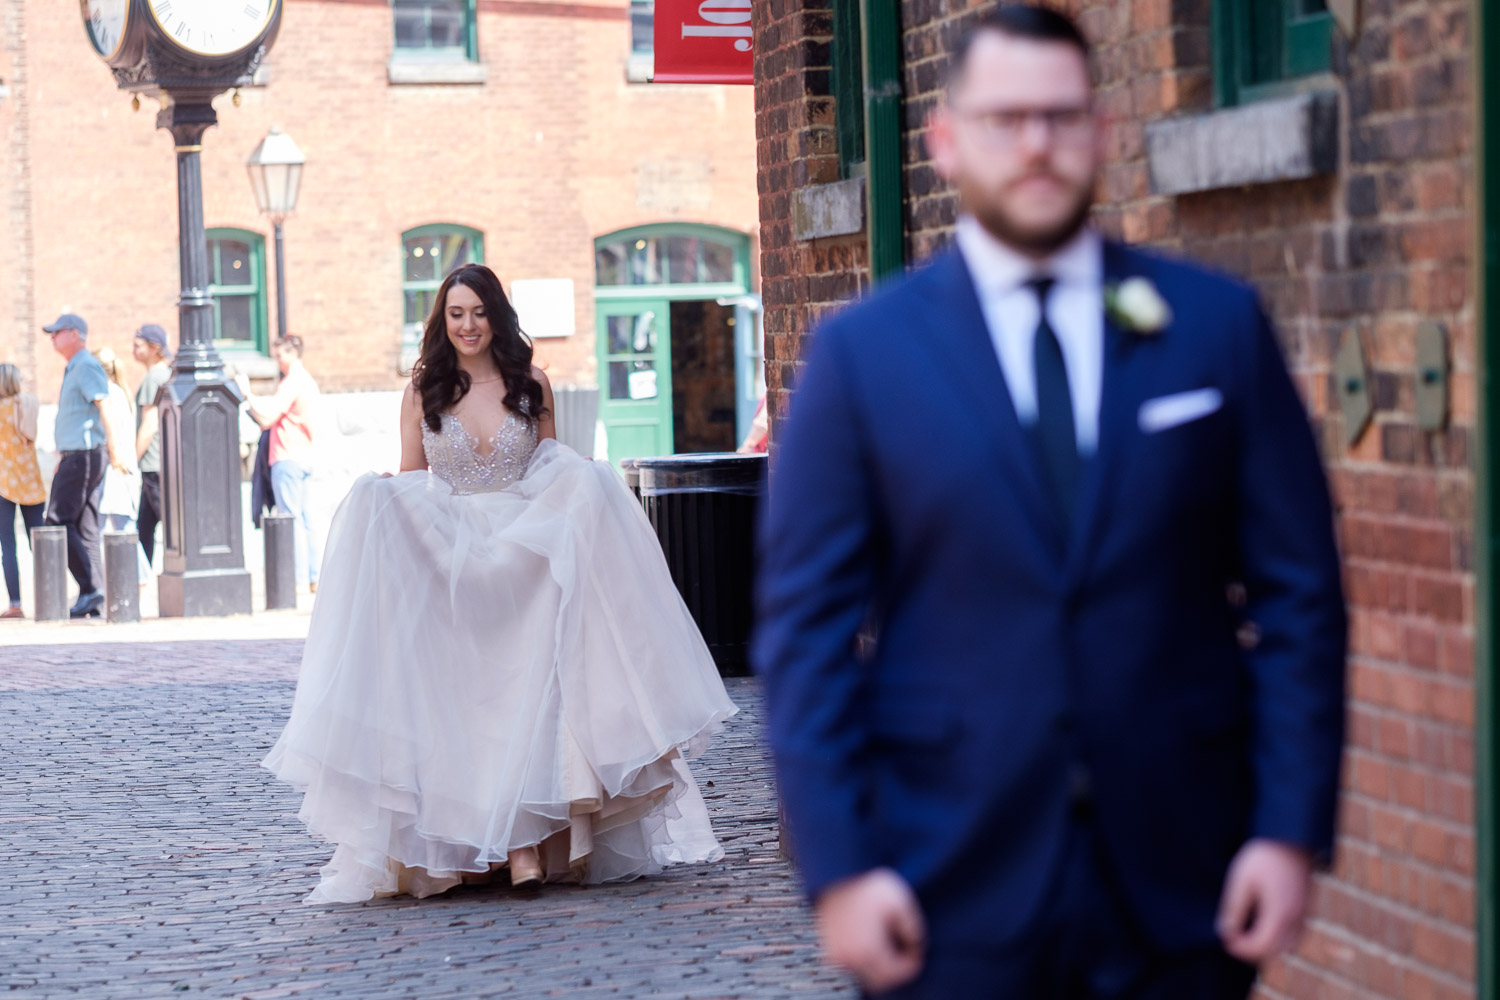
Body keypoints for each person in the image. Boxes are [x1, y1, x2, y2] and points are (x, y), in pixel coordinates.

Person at [752, 7, 1347, 999]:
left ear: (1101, 130)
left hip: (1183, 873)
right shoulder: (864, 359)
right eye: (1006, 118)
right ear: (946, 141)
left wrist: (1287, 831)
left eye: (1063, 116)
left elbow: (1300, 598)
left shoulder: (1214, 328)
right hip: (945, 878)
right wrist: (840, 868)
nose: (1037, 143)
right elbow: (803, 634)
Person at [263, 264, 737, 904]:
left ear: (497, 316)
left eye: (478, 312)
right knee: (469, 705)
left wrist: (582, 501)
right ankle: (472, 849)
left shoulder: (529, 383)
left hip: (528, 556)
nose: (466, 326)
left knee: (534, 697)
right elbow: (410, 482)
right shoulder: (424, 389)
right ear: (441, 320)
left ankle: (525, 847)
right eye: (455, 314)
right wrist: (385, 513)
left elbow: (551, 471)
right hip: (451, 559)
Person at [42, 313, 127, 619]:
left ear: (75, 334)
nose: (52, 337)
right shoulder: (74, 367)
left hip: (84, 455)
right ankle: (93, 591)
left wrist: (114, 450)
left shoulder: (86, 365)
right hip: (76, 455)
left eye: (57, 332)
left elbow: (105, 406)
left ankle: (91, 589)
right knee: (85, 526)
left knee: (58, 521)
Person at [237, 336, 322, 593]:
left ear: (293, 354)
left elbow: (267, 417)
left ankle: (293, 579)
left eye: (280, 355)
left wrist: (247, 394)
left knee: (289, 519)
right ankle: (312, 576)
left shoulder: (292, 383)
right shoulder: (308, 382)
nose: (277, 360)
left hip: (287, 457)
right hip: (305, 456)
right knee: (306, 519)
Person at [93, 347, 152, 588]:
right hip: (121, 466)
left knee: (110, 526)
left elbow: (109, 432)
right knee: (118, 525)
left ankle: (136, 576)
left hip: (115, 467)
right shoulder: (120, 393)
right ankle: (133, 577)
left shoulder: (107, 394)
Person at [0, 364, 46, 620]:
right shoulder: (28, 403)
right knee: (37, 542)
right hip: (30, 480)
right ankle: (48, 597)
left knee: (8, 545)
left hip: (3, 482)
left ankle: (15, 604)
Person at [131, 324, 172, 570]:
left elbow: (150, 424)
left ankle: (145, 576)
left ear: (154, 348)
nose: (133, 350)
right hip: (158, 463)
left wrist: (132, 459)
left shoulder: (154, 377)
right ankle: (141, 576)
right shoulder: (164, 373)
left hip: (153, 463)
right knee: (144, 525)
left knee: (164, 522)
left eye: (138, 346)